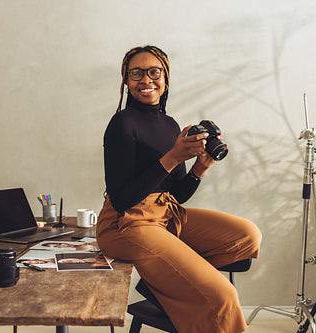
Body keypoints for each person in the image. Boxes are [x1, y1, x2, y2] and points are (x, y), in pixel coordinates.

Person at [96, 45, 262, 333]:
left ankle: (160, 282)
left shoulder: (171, 125)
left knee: (247, 237)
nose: (146, 80)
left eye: (154, 72)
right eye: (136, 73)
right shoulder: (122, 124)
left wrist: (200, 167)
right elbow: (122, 199)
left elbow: (177, 195)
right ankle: (176, 285)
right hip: (125, 224)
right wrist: (173, 157)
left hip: (164, 216)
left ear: (166, 78)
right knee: (222, 295)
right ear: (125, 80)